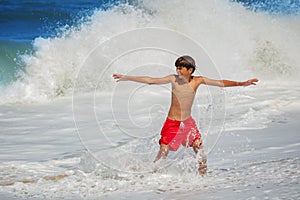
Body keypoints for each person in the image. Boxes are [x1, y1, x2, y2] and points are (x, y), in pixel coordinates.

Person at [113, 55, 258, 175]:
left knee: (198, 147)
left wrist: (241, 83)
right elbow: (150, 80)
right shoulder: (173, 79)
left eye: (181, 68)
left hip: (188, 123)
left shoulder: (198, 81)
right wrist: (126, 77)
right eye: (176, 68)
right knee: (164, 150)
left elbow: (220, 83)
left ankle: (203, 176)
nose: (178, 71)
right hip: (172, 123)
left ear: (190, 70)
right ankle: (152, 174)